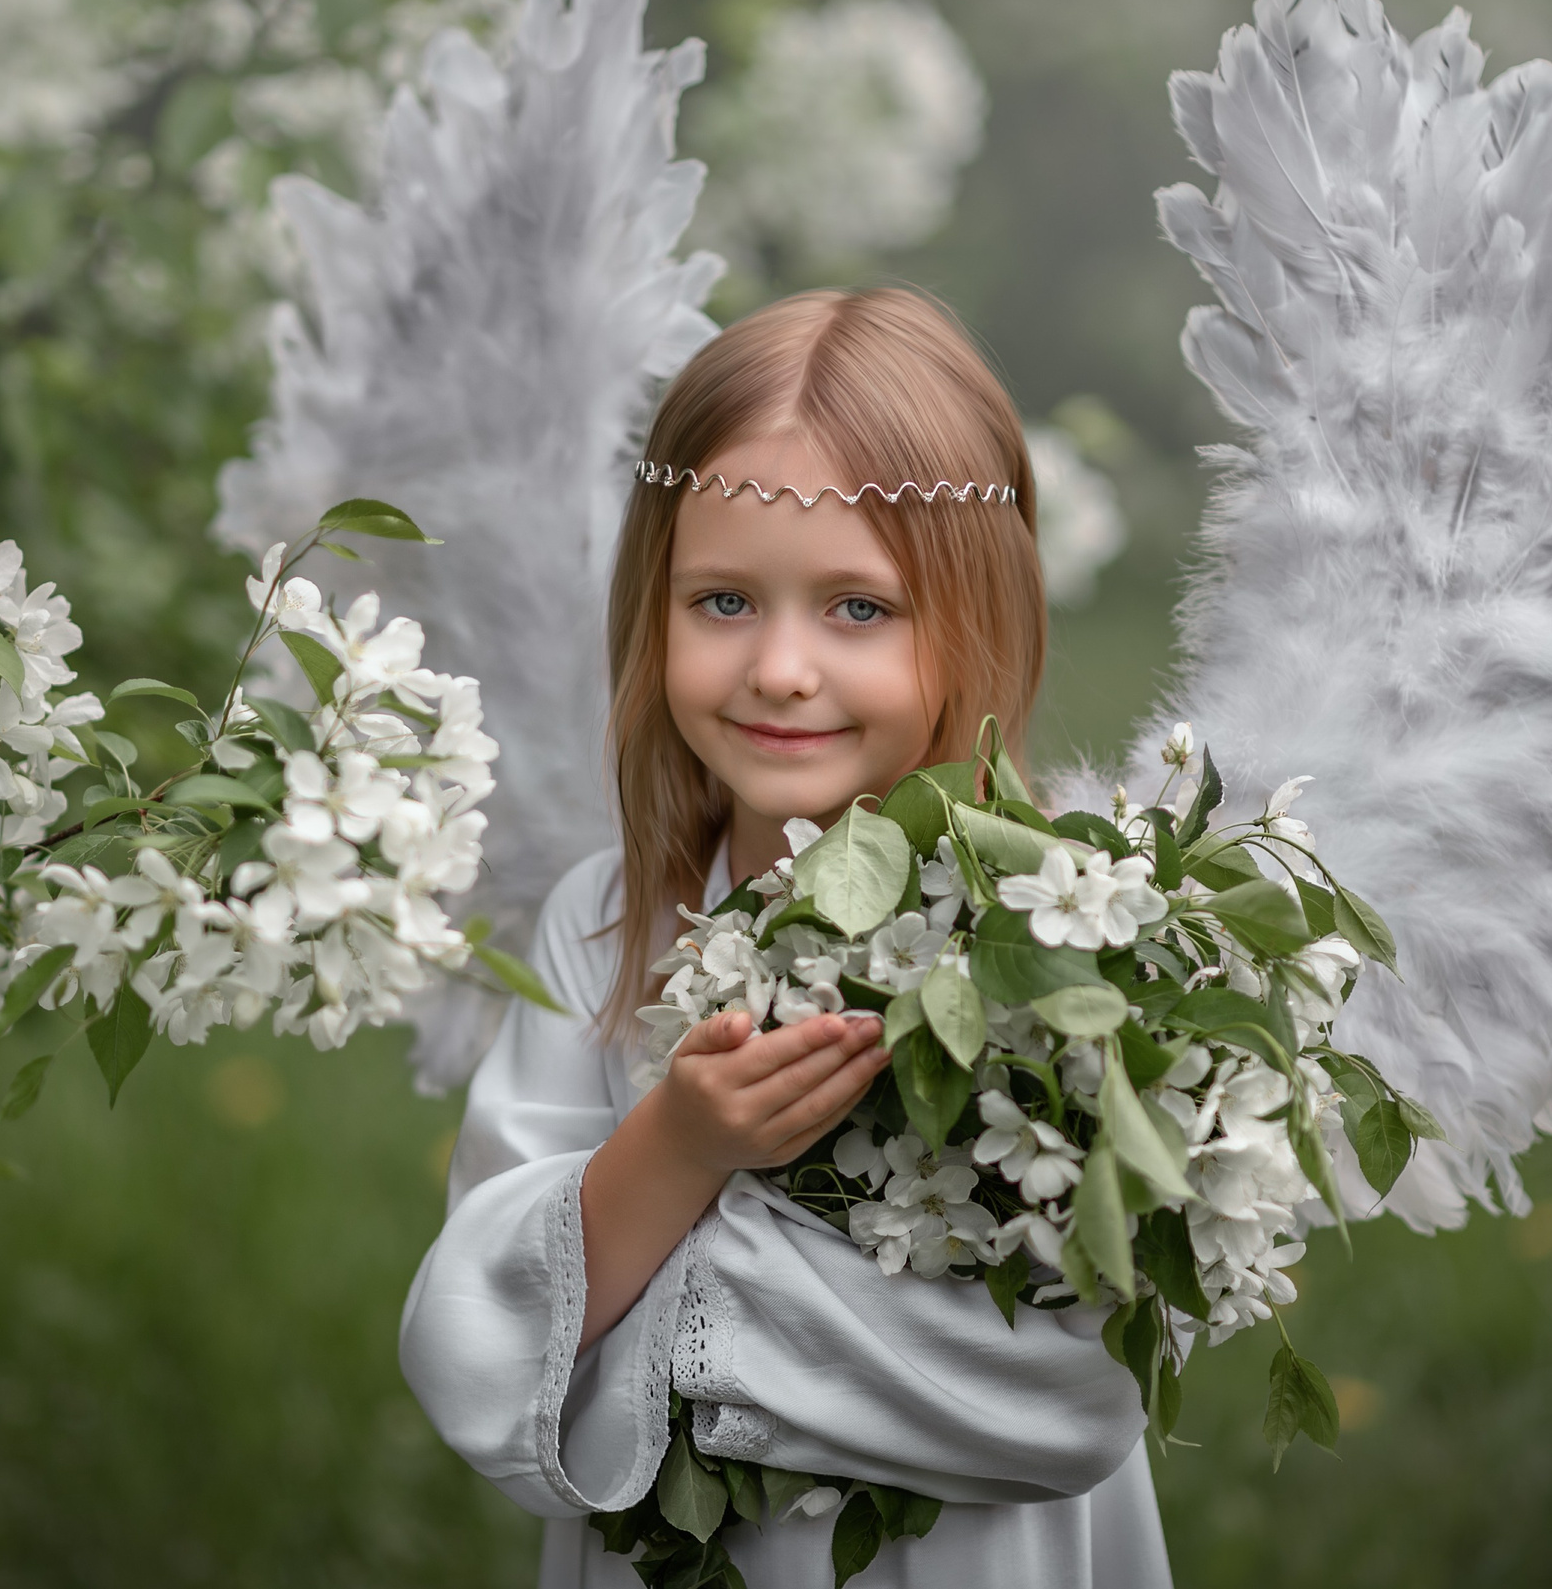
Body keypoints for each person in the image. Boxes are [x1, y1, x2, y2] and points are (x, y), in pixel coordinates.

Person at [400, 288, 1171, 1587]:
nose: (781, 668)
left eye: (858, 609)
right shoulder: (609, 925)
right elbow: (476, 1340)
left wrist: (674, 1325)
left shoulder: (1054, 950)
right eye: (722, 602)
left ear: (976, 616)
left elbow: (1065, 1399)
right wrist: (680, 1143)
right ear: (653, 605)